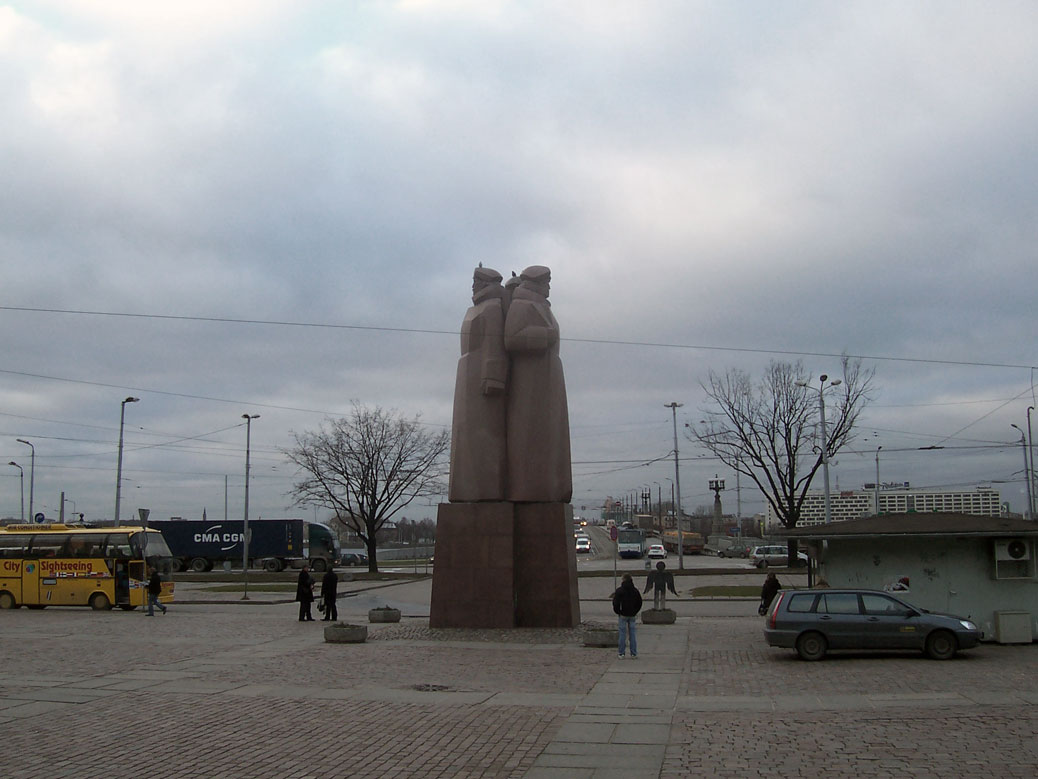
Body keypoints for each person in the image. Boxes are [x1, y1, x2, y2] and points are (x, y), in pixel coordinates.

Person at [503, 265, 572, 503]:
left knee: (549, 435)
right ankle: (530, 488)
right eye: (546, 282)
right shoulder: (522, 305)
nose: (549, 286)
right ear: (535, 283)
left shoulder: (541, 306)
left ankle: (548, 487)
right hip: (531, 381)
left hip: (547, 378)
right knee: (531, 434)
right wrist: (545, 336)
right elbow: (512, 338)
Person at [448, 266, 509, 502]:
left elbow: (495, 344)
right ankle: (467, 488)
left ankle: (485, 488)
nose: (473, 285)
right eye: (474, 280)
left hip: (481, 375)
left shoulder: (493, 308)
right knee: (466, 433)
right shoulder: (474, 309)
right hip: (467, 372)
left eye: (477, 280)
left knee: (481, 434)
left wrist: (493, 376)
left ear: (487, 283)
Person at [612, 573, 643, 658]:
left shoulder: (620, 590)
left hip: (623, 615)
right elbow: (639, 602)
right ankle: (634, 653)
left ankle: (621, 653)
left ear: (623, 580)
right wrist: (635, 611)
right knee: (632, 634)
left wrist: (618, 612)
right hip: (632, 615)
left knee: (622, 634)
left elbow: (615, 603)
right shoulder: (635, 590)